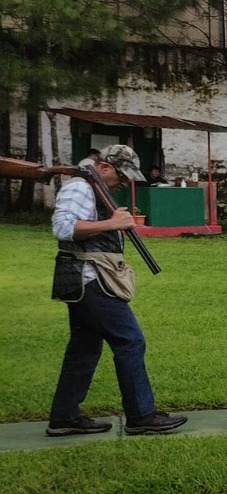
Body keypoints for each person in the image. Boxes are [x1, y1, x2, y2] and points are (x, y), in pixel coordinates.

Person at [47, 144, 188, 436]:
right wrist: (112, 223)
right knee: (130, 341)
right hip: (90, 278)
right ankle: (141, 415)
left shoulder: (93, 187)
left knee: (84, 349)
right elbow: (62, 228)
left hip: (86, 279)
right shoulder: (79, 188)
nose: (123, 183)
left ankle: (64, 417)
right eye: (121, 176)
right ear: (105, 168)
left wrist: (111, 222)